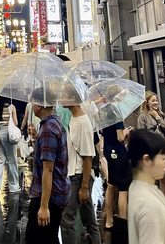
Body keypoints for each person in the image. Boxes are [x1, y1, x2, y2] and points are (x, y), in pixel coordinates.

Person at [25, 89, 70, 244]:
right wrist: (36, 136)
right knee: (49, 238)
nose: (31, 105)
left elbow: (48, 170)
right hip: (55, 192)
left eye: (33, 102)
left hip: (48, 196)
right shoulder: (53, 124)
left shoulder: (48, 130)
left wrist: (44, 207)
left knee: (37, 239)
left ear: (39, 105)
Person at [60, 104, 101, 244]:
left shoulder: (83, 122)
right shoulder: (74, 118)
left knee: (67, 220)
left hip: (78, 176)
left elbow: (88, 157)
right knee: (89, 221)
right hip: (76, 175)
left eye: (65, 94)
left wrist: (84, 187)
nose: (61, 97)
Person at [137, 92, 165, 196]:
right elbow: (141, 136)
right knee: (152, 182)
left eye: (156, 100)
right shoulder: (142, 117)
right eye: (153, 100)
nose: (156, 102)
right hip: (151, 152)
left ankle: (164, 203)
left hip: (164, 151)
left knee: (164, 181)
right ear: (147, 103)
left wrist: (157, 117)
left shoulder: (161, 114)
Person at [101, 121, 132, 229]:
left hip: (108, 152)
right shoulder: (116, 116)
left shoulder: (105, 114)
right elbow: (120, 137)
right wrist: (126, 131)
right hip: (119, 154)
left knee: (111, 184)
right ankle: (122, 223)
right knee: (123, 190)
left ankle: (109, 220)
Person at [0, 96, 20, 195]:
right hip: (8, 134)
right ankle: (14, 186)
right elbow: (15, 123)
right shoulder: (11, 107)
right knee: (12, 160)